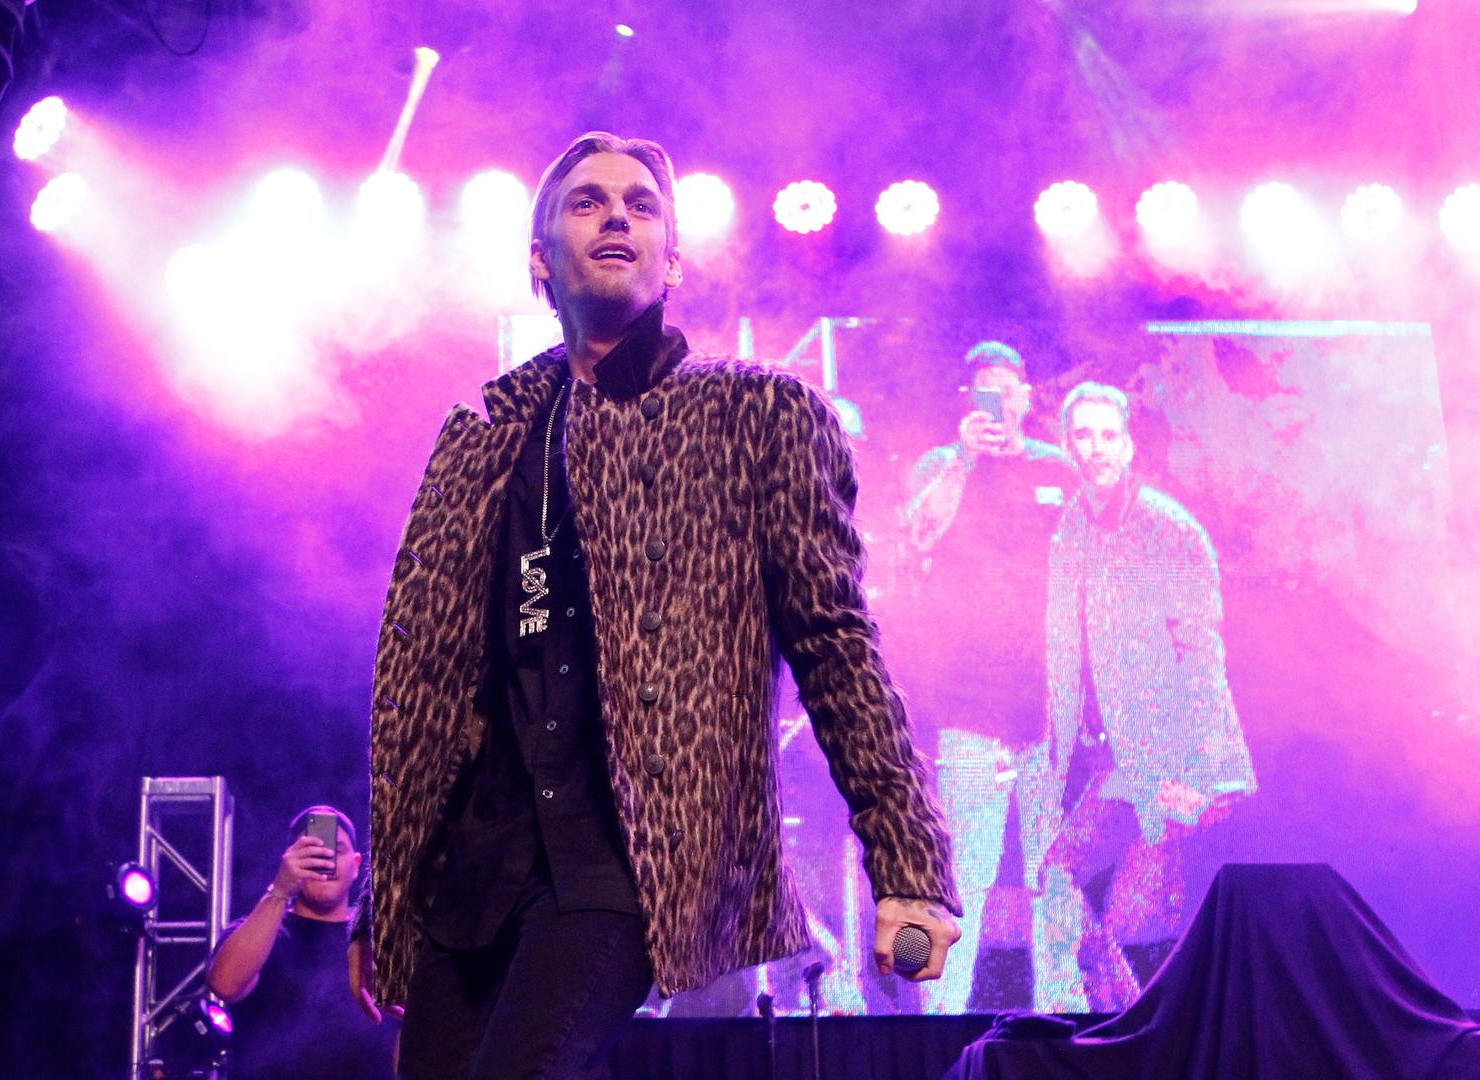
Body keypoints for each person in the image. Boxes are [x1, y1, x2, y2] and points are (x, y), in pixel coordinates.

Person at [350, 131, 962, 1080]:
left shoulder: (754, 415)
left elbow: (838, 645)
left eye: (640, 204)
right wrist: (386, 898)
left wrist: (908, 864)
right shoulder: (482, 442)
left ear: (672, 260)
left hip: (624, 858)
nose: (616, 216)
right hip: (476, 865)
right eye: (587, 201)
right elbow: (434, 692)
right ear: (540, 259)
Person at [1039, 382, 1256, 1009]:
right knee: (1060, 882)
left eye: (1109, 435)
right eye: (1084, 435)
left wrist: (1209, 774)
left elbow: (1203, 657)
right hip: (1114, 760)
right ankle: (1125, 1025)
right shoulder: (1070, 527)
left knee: (1136, 922)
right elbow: (1066, 650)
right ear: (1067, 444)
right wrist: (1057, 749)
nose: (1097, 448)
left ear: (1129, 445)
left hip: (1173, 759)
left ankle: (1152, 1031)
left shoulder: (1169, 529)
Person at [900, 341, 1078, 1012]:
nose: (999, 403)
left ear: (1028, 398)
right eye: (986, 393)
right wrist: (966, 461)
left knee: (1052, 872)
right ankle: (938, 1018)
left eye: (1009, 391)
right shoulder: (943, 465)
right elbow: (919, 537)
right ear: (968, 402)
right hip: (970, 705)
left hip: (1046, 706)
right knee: (963, 869)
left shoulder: (1056, 469)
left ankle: (1062, 1011)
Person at [208, 805, 397, 1079]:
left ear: (357, 865)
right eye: (311, 850)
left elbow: (404, 1031)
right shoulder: (261, 930)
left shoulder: (377, 940)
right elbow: (225, 984)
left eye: (337, 850)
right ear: (290, 860)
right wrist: (281, 889)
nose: (325, 859)